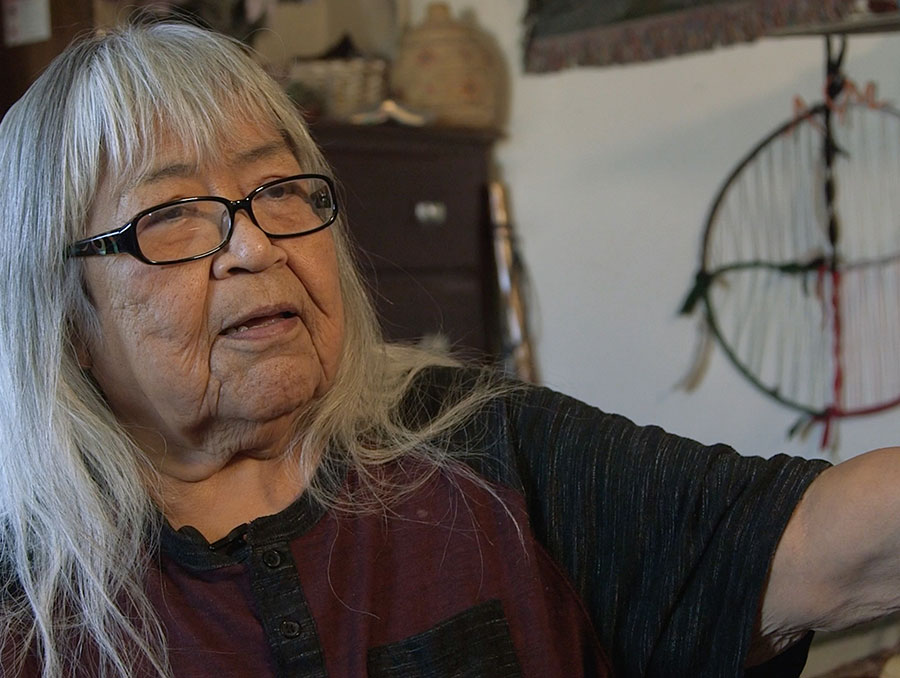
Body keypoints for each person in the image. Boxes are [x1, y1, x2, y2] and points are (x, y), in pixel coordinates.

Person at [1, 19, 899, 678]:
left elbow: (828, 540)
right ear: (66, 318)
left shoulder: (484, 449)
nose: (254, 244)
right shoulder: (27, 605)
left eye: (278, 188)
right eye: (173, 215)